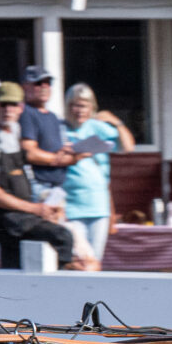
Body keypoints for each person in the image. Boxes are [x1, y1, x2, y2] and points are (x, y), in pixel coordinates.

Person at [0, 82, 86, 269]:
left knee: (17, 265)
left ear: (21, 108)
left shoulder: (16, 131)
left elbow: (33, 167)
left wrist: (48, 206)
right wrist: (35, 209)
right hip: (0, 217)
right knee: (61, 236)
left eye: (13, 104)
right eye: (3, 104)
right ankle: (64, 284)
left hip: (21, 213)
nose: (8, 109)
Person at [59, 83, 127, 263]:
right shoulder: (60, 129)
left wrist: (116, 122)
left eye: (84, 106)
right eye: (75, 105)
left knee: (95, 261)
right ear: (68, 106)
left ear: (92, 107)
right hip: (71, 207)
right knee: (78, 259)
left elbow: (127, 146)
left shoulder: (97, 127)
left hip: (98, 206)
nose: (79, 110)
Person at [18, 65, 75, 199]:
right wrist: (65, 160)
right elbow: (30, 153)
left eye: (47, 83)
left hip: (58, 187)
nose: (44, 87)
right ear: (25, 87)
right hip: (39, 187)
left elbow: (55, 148)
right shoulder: (26, 113)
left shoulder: (54, 117)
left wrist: (68, 152)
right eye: (38, 83)